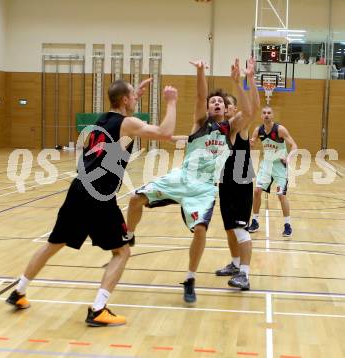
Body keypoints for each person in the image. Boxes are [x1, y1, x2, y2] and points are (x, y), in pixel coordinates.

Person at [6, 79, 178, 327]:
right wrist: (171, 102)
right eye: (133, 96)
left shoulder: (101, 122)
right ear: (124, 100)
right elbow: (164, 133)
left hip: (78, 189)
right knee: (122, 251)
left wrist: (133, 96)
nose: (137, 99)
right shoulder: (127, 123)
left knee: (54, 243)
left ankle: (19, 291)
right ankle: (98, 309)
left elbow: (122, 130)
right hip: (99, 195)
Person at [126, 59, 253, 303]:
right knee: (134, 199)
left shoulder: (231, 129)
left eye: (220, 102)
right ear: (207, 108)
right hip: (181, 178)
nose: (216, 103)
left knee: (200, 230)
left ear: (226, 109)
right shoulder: (200, 123)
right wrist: (201, 71)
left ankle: (190, 278)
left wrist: (239, 84)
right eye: (212, 102)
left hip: (204, 188)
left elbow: (247, 112)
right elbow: (200, 96)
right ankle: (128, 234)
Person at [215, 57, 260, 291]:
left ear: (232, 109)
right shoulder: (216, 128)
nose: (223, 105)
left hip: (241, 181)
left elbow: (251, 109)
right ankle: (234, 264)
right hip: (225, 181)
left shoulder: (237, 126)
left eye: (227, 103)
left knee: (240, 228)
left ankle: (244, 273)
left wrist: (245, 81)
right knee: (230, 227)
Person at [247, 106, 298, 237]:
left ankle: (287, 224)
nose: (266, 115)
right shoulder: (258, 130)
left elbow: (294, 145)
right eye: (264, 113)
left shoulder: (280, 129)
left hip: (280, 166)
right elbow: (251, 146)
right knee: (257, 191)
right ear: (261, 116)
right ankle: (255, 221)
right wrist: (250, 144)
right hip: (267, 164)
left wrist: (288, 157)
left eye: (269, 113)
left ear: (273, 115)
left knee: (281, 195)